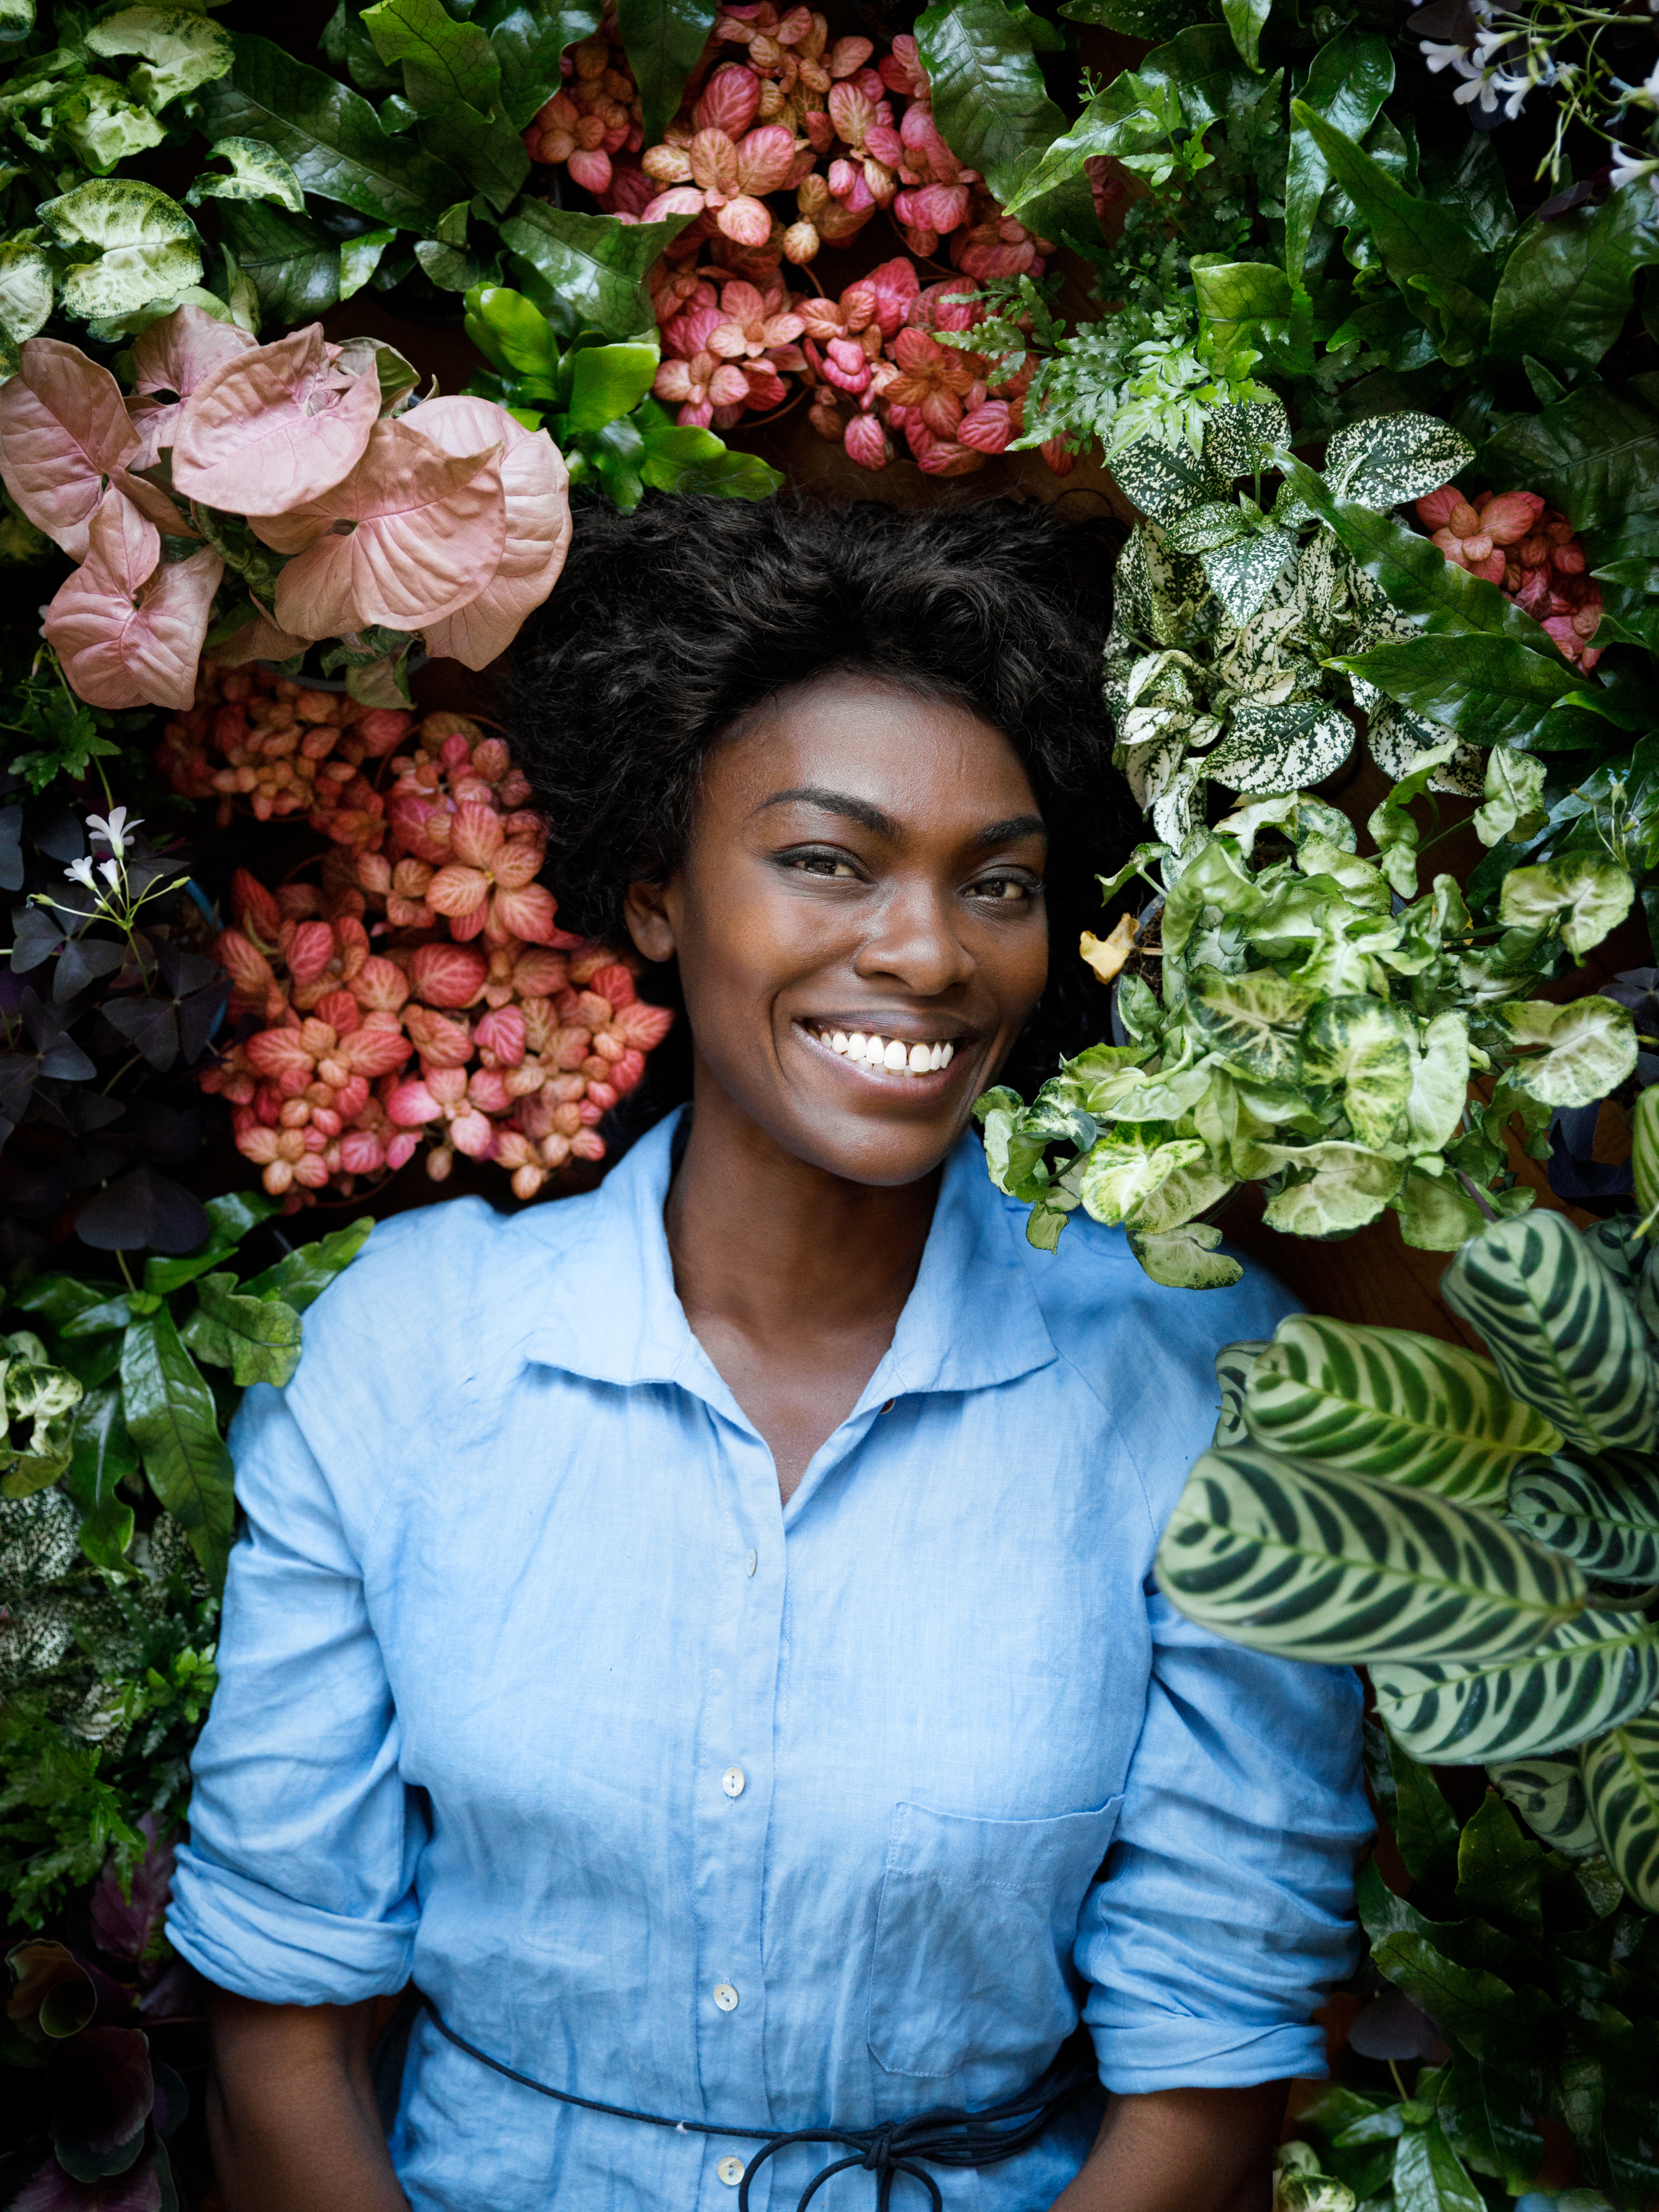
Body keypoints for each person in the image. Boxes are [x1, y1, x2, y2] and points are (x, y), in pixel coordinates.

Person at [168, 495, 1371, 2212]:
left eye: (1001, 884)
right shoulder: (409, 1344)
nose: (924, 950)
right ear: (656, 896)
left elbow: (1213, 2051)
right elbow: (283, 2017)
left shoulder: (1209, 1383)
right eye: (825, 858)